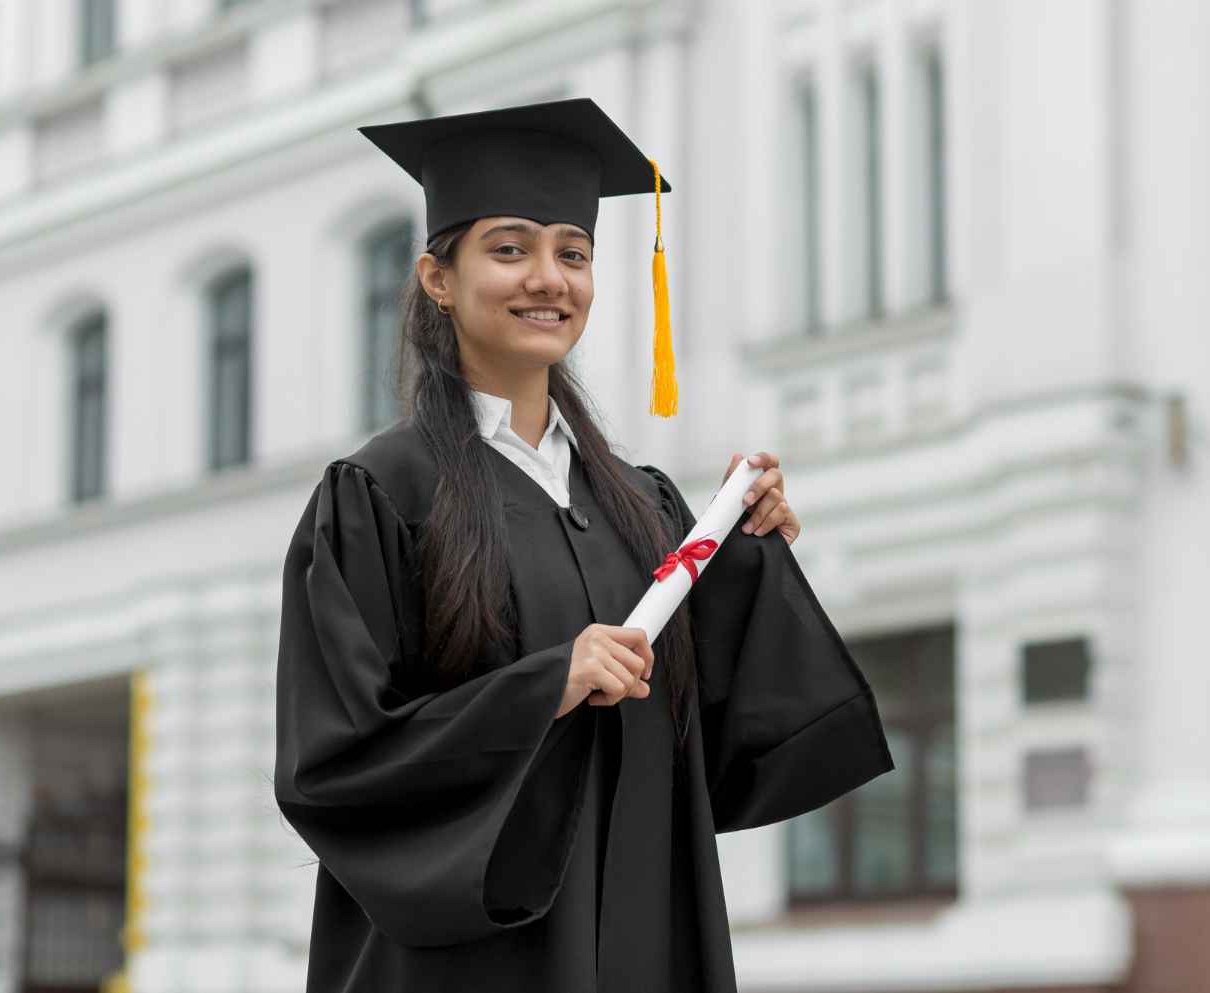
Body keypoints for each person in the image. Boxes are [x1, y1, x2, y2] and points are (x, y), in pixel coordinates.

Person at [272, 96, 895, 993]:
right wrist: (543, 688)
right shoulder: (379, 495)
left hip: (640, 937)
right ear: (438, 278)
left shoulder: (642, 505)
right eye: (510, 248)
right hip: (469, 962)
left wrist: (746, 547)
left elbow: (724, 737)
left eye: (573, 252)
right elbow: (332, 764)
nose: (549, 278)